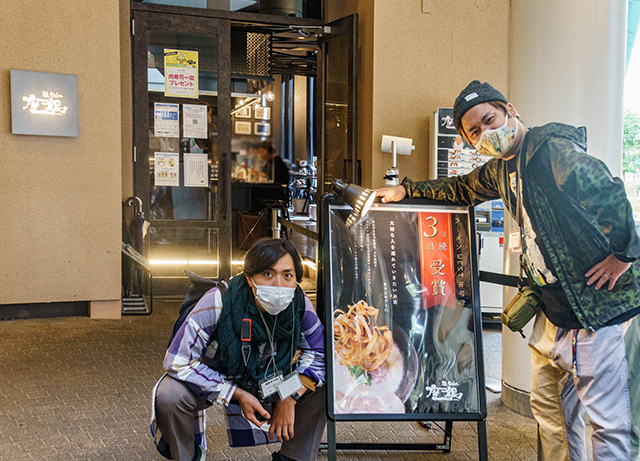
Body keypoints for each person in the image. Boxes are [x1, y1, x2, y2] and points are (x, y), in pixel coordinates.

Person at [377, 80, 640, 460]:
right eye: (475, 132)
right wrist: (406, 190)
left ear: (509, 110)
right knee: (551, 412)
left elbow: (609, 191)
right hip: (554, 311)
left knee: (610, 425)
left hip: (598, 310)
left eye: (489, 119)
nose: (486, 133)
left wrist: (624, 255)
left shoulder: (551, 150)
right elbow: (461, 189)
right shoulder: (500, 169)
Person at [151, 238, 326, 461]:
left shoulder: (298, 303)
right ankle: (189, 455)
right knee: (169, 395)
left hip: (270, 376)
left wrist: (289, 396)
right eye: (268, 274)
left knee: (324, 383)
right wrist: (234, 392)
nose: (279, 285)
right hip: (218, 374)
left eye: (287, 275)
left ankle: (293, 457)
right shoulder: (218, 301)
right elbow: (177, 361)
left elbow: (318, 354)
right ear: (250, 278)